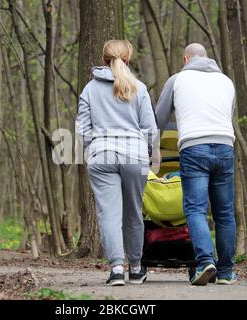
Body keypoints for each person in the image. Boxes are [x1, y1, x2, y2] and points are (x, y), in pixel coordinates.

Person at [75, 40, 157, 286]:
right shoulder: (139, 88)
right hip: (135, 155)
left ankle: (117, 270)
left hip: (102, 156)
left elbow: (82, 129)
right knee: (134, 213)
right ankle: (137, 268)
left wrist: (92, 148)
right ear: (128, 60)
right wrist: (149, 152)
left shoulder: (90, 89)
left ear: (104, 59)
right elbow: (150, 129)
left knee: (109, 214)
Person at [156, 43, 237, 286]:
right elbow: (228, 114)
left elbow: (159, 118)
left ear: (185, 59)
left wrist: (152, 149)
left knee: (195, 209)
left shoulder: (177, 79)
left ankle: (204, 262)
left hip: (194, 147)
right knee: (224, 213)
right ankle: (225, 272)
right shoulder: (227, 81)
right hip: (225, 146)